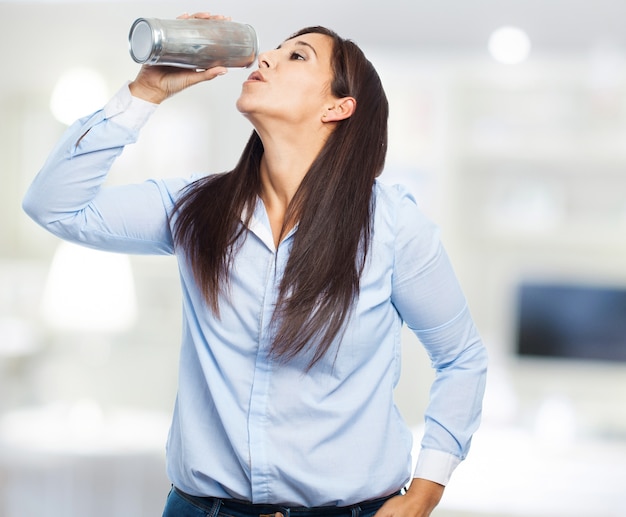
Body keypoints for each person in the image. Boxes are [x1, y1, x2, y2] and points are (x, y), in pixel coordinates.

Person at [23, 12, 488, 517]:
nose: (265, 56)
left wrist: (425, 492)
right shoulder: (195, 208)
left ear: (338, 106)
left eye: (296, 56)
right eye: (276, 49)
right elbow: (54, 206)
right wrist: (146, 91)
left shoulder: (392, 227)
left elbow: (462, 358)